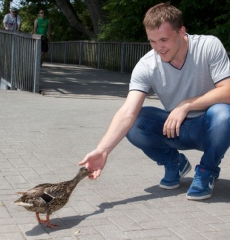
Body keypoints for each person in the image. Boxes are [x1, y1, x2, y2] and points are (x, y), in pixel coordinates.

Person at [79, 2, 230, 201]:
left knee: (224, 113)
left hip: (210, 128)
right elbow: (127, 112)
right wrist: (102, 150)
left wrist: (186, 104)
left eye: (164, 39)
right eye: (152, 41)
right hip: (175, 128)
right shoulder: (147, 65)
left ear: (181, 31)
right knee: (135, 123)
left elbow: (227, 91)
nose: (159, 48)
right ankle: (174, 163)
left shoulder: (208, 45)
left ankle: (207, 170)